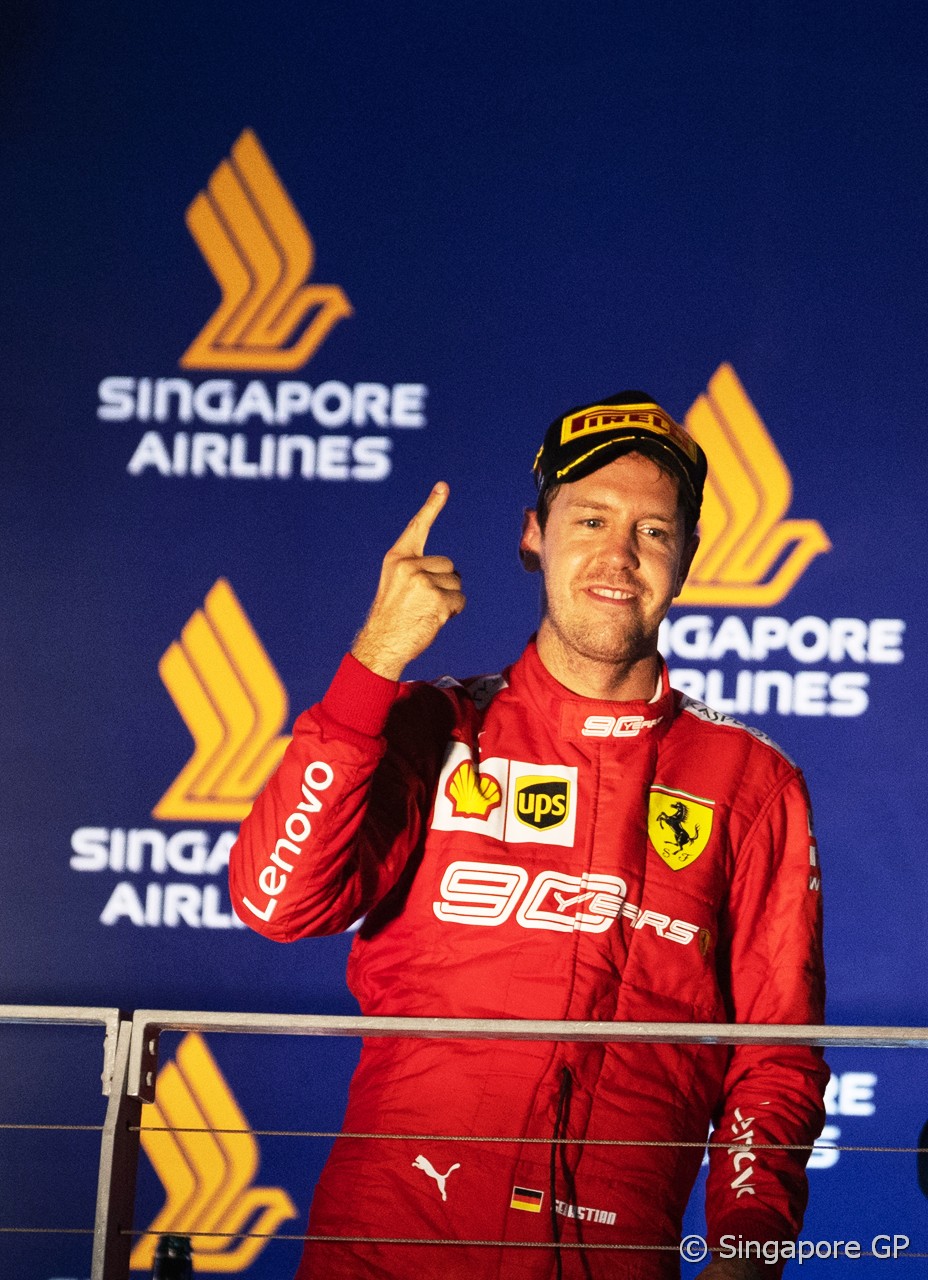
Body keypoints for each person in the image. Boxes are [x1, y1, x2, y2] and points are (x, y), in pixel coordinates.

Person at [230, 395, 825, 1279]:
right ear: (532, 536)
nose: (619, 555)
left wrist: (748, 1251)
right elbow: (275, 902)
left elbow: (776, 1060)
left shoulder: (752, 781)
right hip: (390, 1250)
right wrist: (373, 665)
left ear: (688, 561)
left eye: (654, 531)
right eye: (589, 519)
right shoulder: (433, 726)